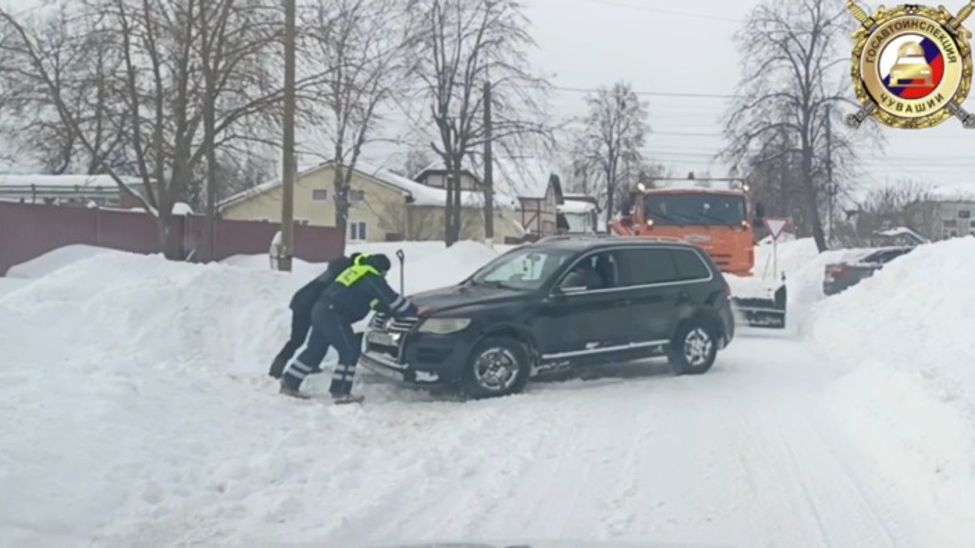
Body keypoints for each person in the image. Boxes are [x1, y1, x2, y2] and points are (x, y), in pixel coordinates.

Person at [279, 253, 418, 403]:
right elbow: (390, 298)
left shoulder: (356, 271)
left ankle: (289, 382)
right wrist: (413, 310)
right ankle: (341, 392)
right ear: (380, 268)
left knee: (315, 350)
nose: (384, 275)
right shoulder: (369, 276)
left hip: (321, 310)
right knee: (350, 349)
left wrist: (389, 310)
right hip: (334, 314)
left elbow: (375, 302)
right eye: (384, 272)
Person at [267, 252, 360, 379]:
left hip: (302, 299)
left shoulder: (339, 266)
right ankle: (276, 370)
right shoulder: (347, 271)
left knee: (316, 336)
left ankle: (305, 365)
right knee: (299, 339)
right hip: (307, 305)